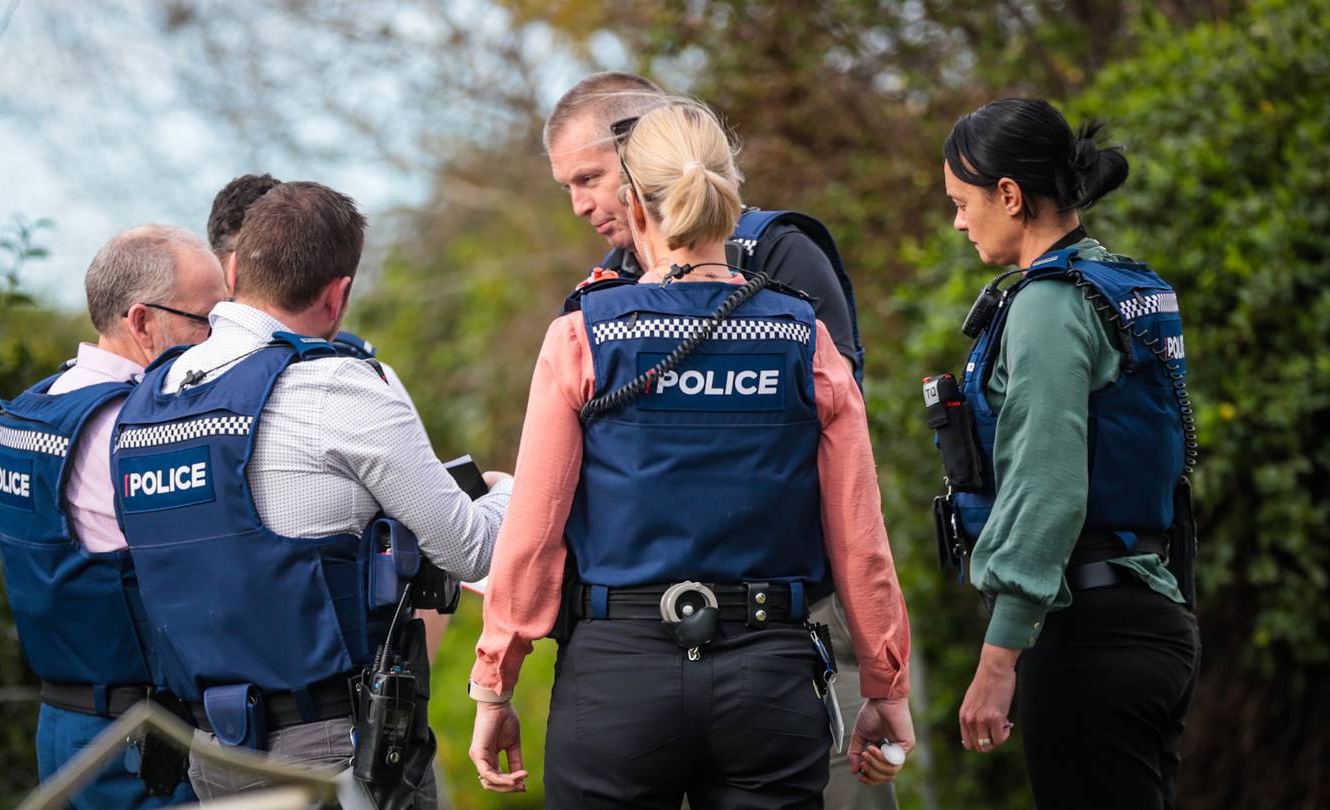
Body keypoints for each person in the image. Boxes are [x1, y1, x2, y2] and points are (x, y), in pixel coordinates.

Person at [470, 99, 913, 809]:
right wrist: (886, 685)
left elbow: (533, 533)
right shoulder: (806, 337)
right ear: (729, 199)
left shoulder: (583, 335)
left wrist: (496, 681)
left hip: (618, 677)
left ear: (634, 205)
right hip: (770, 676)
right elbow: (861, 537)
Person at [110, 181, 512, 806]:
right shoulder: (336, 386)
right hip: (330, 749)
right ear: (338, 294)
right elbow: (470, 550)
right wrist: (506, 491)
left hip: (205, 749)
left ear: (234, 271)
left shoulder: (146, 400)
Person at [935, 98, 1200, 809]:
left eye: (961, 203)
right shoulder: (1121, 284)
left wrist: (999, 657)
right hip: (1154, 615)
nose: (958, 222)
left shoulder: (1049, 305)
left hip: (1089, 631)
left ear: (1009, 195)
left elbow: (1046, 487)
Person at [0, 225, 226, 807]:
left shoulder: (34, 409)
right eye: (207, 320)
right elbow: (207, 565)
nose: (218, 338)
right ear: (142, 322)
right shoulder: (130, 431)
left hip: (64, 720)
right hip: (137, 738)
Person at [206, 172, 457, 662]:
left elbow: (427, 542)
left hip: (336, 672)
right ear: (233, 270)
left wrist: (405, 683)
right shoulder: (174, 387)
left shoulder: (359, 378)